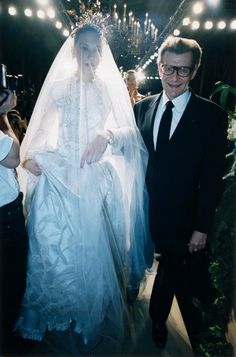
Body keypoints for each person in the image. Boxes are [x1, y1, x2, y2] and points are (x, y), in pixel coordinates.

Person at [15, 23, 153, 351]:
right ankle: (47, 313)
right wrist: (29, 156)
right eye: (84, 47)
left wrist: (106, 136)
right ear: (74, 49)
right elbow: (40, 131)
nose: (89, 54)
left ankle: (84, 312)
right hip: (58, 174)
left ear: (102, 52)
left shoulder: (109, 89)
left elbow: (132, 136)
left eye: (95, 48)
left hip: (91, 176)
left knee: (90, 251)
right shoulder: (60, 87)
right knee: (49, 246)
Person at [133, 36, 228, 349]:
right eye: (168, 69)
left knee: (169, 273)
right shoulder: (141, 109)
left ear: (195, 70)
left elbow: (212, 178)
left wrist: (201, 227)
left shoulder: (212, 116)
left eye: (182, 71)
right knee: (137, 265)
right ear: (159, 67)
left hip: (182, 217)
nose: (173, 78)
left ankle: (158, 320)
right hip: (142, 210)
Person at [0, 90, 28, 355]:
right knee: (11, 278)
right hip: (4, 214)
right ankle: (6, 341)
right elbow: (13, 158)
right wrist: (5, 115)